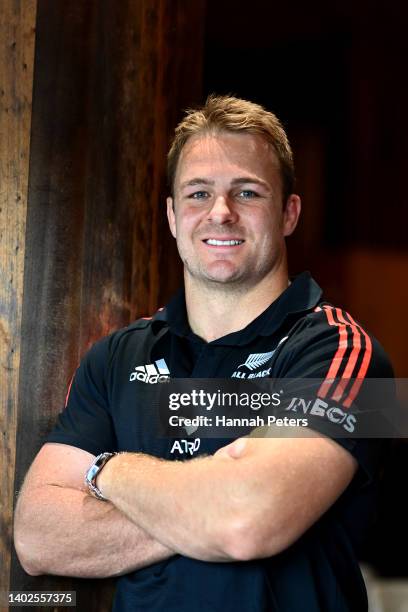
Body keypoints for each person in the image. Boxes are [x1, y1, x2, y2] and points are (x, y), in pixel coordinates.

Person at [14, 95, 393, 611]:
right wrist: (214, 495)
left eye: (247, 192)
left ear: (289, 213)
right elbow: (36, 538)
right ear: (172, 216)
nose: (221, 212)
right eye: (198, 193)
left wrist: (106, 472)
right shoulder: (114, 358)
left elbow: (245, 523)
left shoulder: (354, 355)